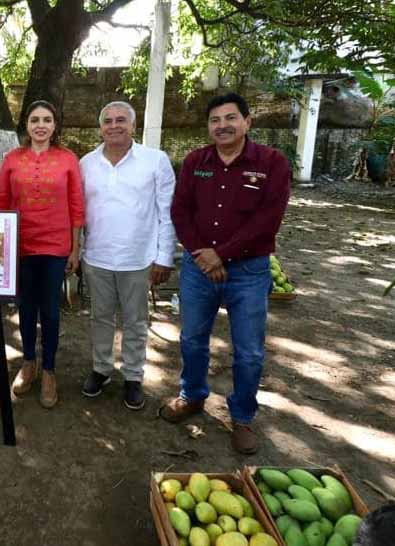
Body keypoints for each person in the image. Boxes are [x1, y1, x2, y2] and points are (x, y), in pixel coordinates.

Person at [161, 92, 291, 455]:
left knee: (249, 351)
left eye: (231, 118)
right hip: (199, 268)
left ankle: (243, 416)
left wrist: (222, 254)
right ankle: (192, 396)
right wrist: (204, 256)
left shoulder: (272, 163)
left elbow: (269, 220)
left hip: (249, 271)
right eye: (215, 120)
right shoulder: (195, 162)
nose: (223, 126)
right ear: (208, 126)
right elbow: (181, 211)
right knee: (191, 339)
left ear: (247, 122)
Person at [79, 101, 175, 411]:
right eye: (108, 121)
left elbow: (166, 213)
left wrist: (164, 257)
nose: (114, 125)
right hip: (96, 257)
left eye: (121, 120)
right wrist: (77, 252)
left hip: (138, 258)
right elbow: (78, 212)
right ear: (100, 127)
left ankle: (133, 376)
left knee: (136, 321)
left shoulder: (155, 161)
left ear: (133, 126)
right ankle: (102, 369)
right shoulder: (86, 163)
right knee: (100, 318)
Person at [0, 100, 85, 409]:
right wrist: (2, 247)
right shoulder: (11, 159)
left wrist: (75, 248)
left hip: (55, 245)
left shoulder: (68, 159)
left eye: (47, 119)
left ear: (55, 125)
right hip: (20, 245)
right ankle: (28, 362)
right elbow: (2, 204)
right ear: (27, 125)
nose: (41, 125)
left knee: (50, 310)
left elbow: (77, 206)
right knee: (25, 307)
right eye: (35, 120)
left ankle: (49, 370)